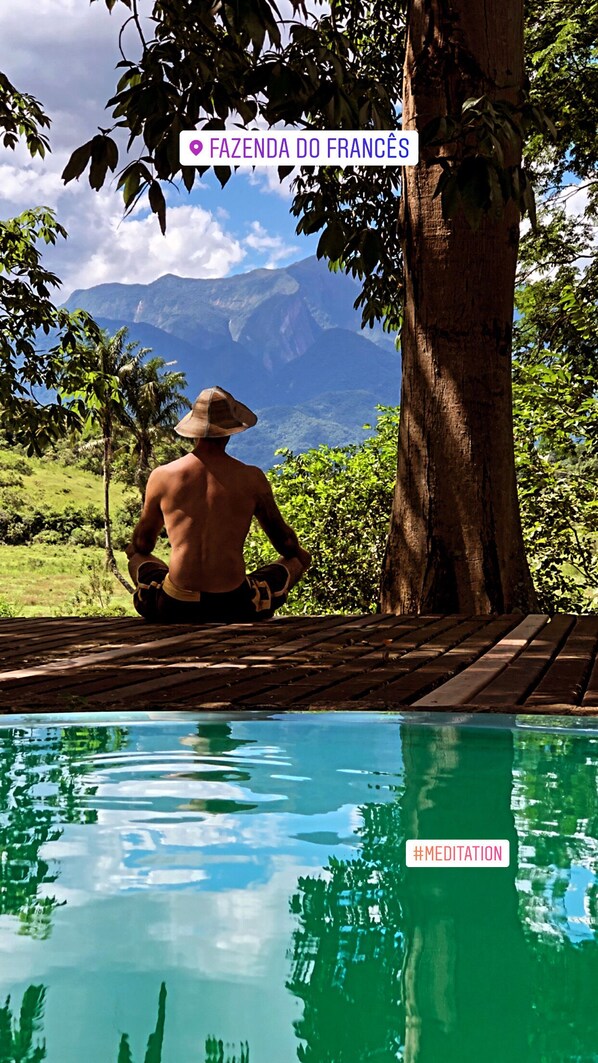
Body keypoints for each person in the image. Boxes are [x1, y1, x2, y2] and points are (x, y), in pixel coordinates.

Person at [125, 385, 312, 623]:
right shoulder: (252, 478)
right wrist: (300, 554)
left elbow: (142, 544)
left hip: (176, 605)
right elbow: (286, 545)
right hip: (235, 604)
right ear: (230, 431)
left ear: (194, 431)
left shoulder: (162, 476)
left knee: (137, 556)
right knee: (297, 559)